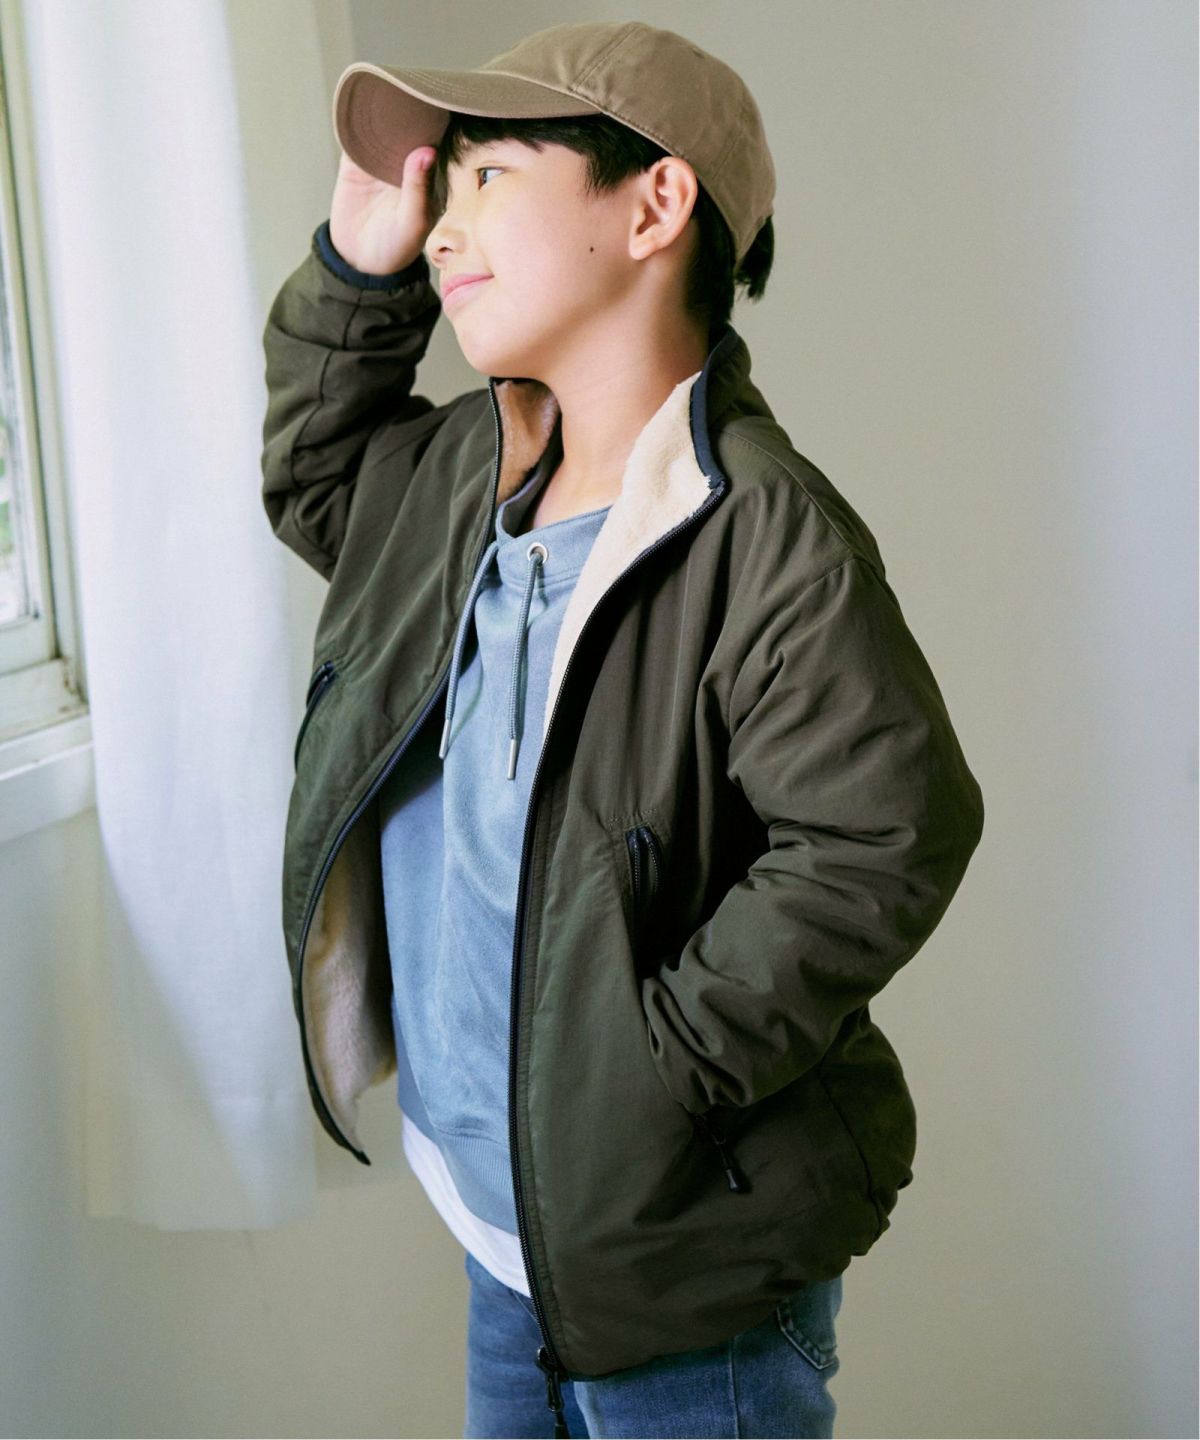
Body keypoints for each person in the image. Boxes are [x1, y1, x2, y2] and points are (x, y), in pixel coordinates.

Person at [260, 19, 985, 1439]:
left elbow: (887, 830)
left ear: (654, 206)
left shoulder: (761, 532)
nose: (442, 226)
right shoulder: (460, 481)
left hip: (679, 1267)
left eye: (486, 177)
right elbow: (315, 474)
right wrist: (358, 264)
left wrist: (660, 1069)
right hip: (506, 1232)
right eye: (442, 190)